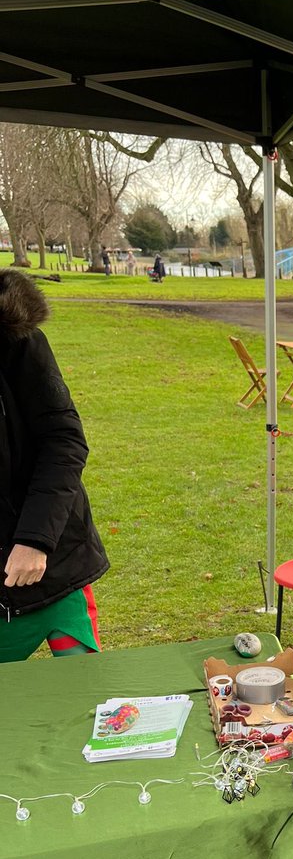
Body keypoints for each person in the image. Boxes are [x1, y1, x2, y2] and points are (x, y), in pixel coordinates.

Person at [0, 268, 109, 662]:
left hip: (48, 568)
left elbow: (63, 441)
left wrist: (34, 539)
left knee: (85, 698)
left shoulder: (14, 335)